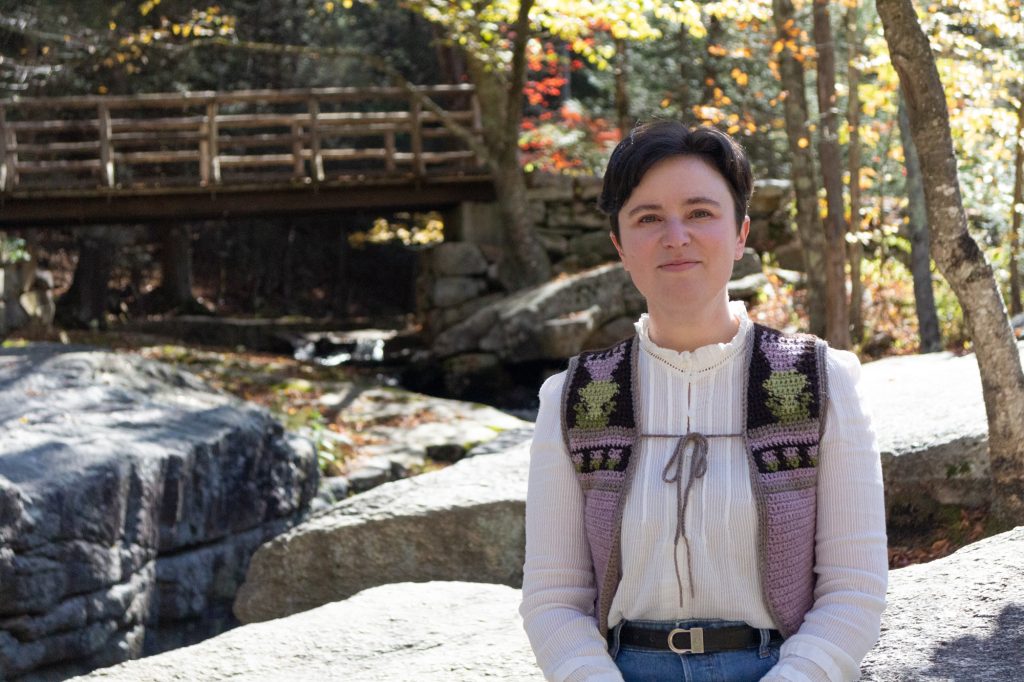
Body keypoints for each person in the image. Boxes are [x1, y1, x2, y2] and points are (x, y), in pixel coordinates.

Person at [519, 120, 887, 682]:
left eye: (699, 213)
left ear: (740, 235)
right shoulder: (574, 399)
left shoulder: (820, 383)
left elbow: (854, 591)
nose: (676, 235)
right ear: (619, 244)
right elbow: (554, 597)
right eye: (648, 218)